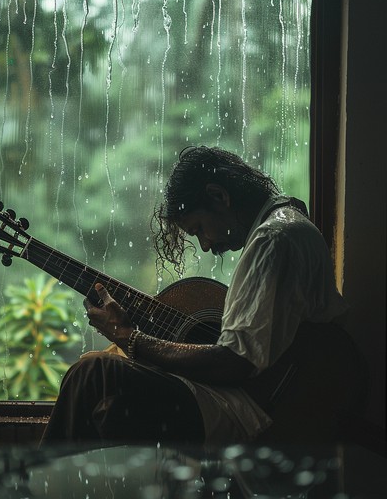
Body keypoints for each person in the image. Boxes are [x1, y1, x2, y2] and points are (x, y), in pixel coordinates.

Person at [43, 146, 349, 446]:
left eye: (199, 227)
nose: (204, 244)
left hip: (251, 408)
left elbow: (234, 363)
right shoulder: (290, 223)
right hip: (260, 397)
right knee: (104, 386)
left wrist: (128, 336)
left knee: (94, 373)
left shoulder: (273, 239)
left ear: (219, 196)